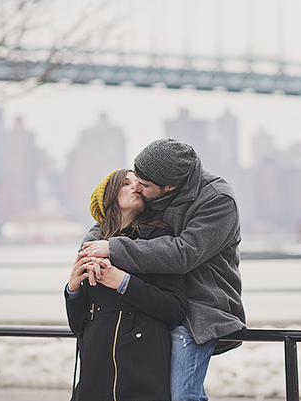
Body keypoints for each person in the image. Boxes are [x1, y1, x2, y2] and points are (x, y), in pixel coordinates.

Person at [81, 138, 246, 401]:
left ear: (169, 187)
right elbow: (111, 221)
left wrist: (113, 250)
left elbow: (184, 253)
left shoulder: (217, 199)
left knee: (183, 395)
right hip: (155, 305)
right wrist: (91, 249)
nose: (136, 188)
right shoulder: (153, 195)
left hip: (198, 309)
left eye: (143, 185)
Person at [66, 168, 187, 401]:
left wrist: (123, 282)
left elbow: (175, 308)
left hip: (143, 373)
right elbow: (78, 325)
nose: (136, 187)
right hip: (95, 373)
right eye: (126, 183)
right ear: (110, 197)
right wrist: (73, 288)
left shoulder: (160, 238)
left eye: (139, 183)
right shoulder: (92, 245)